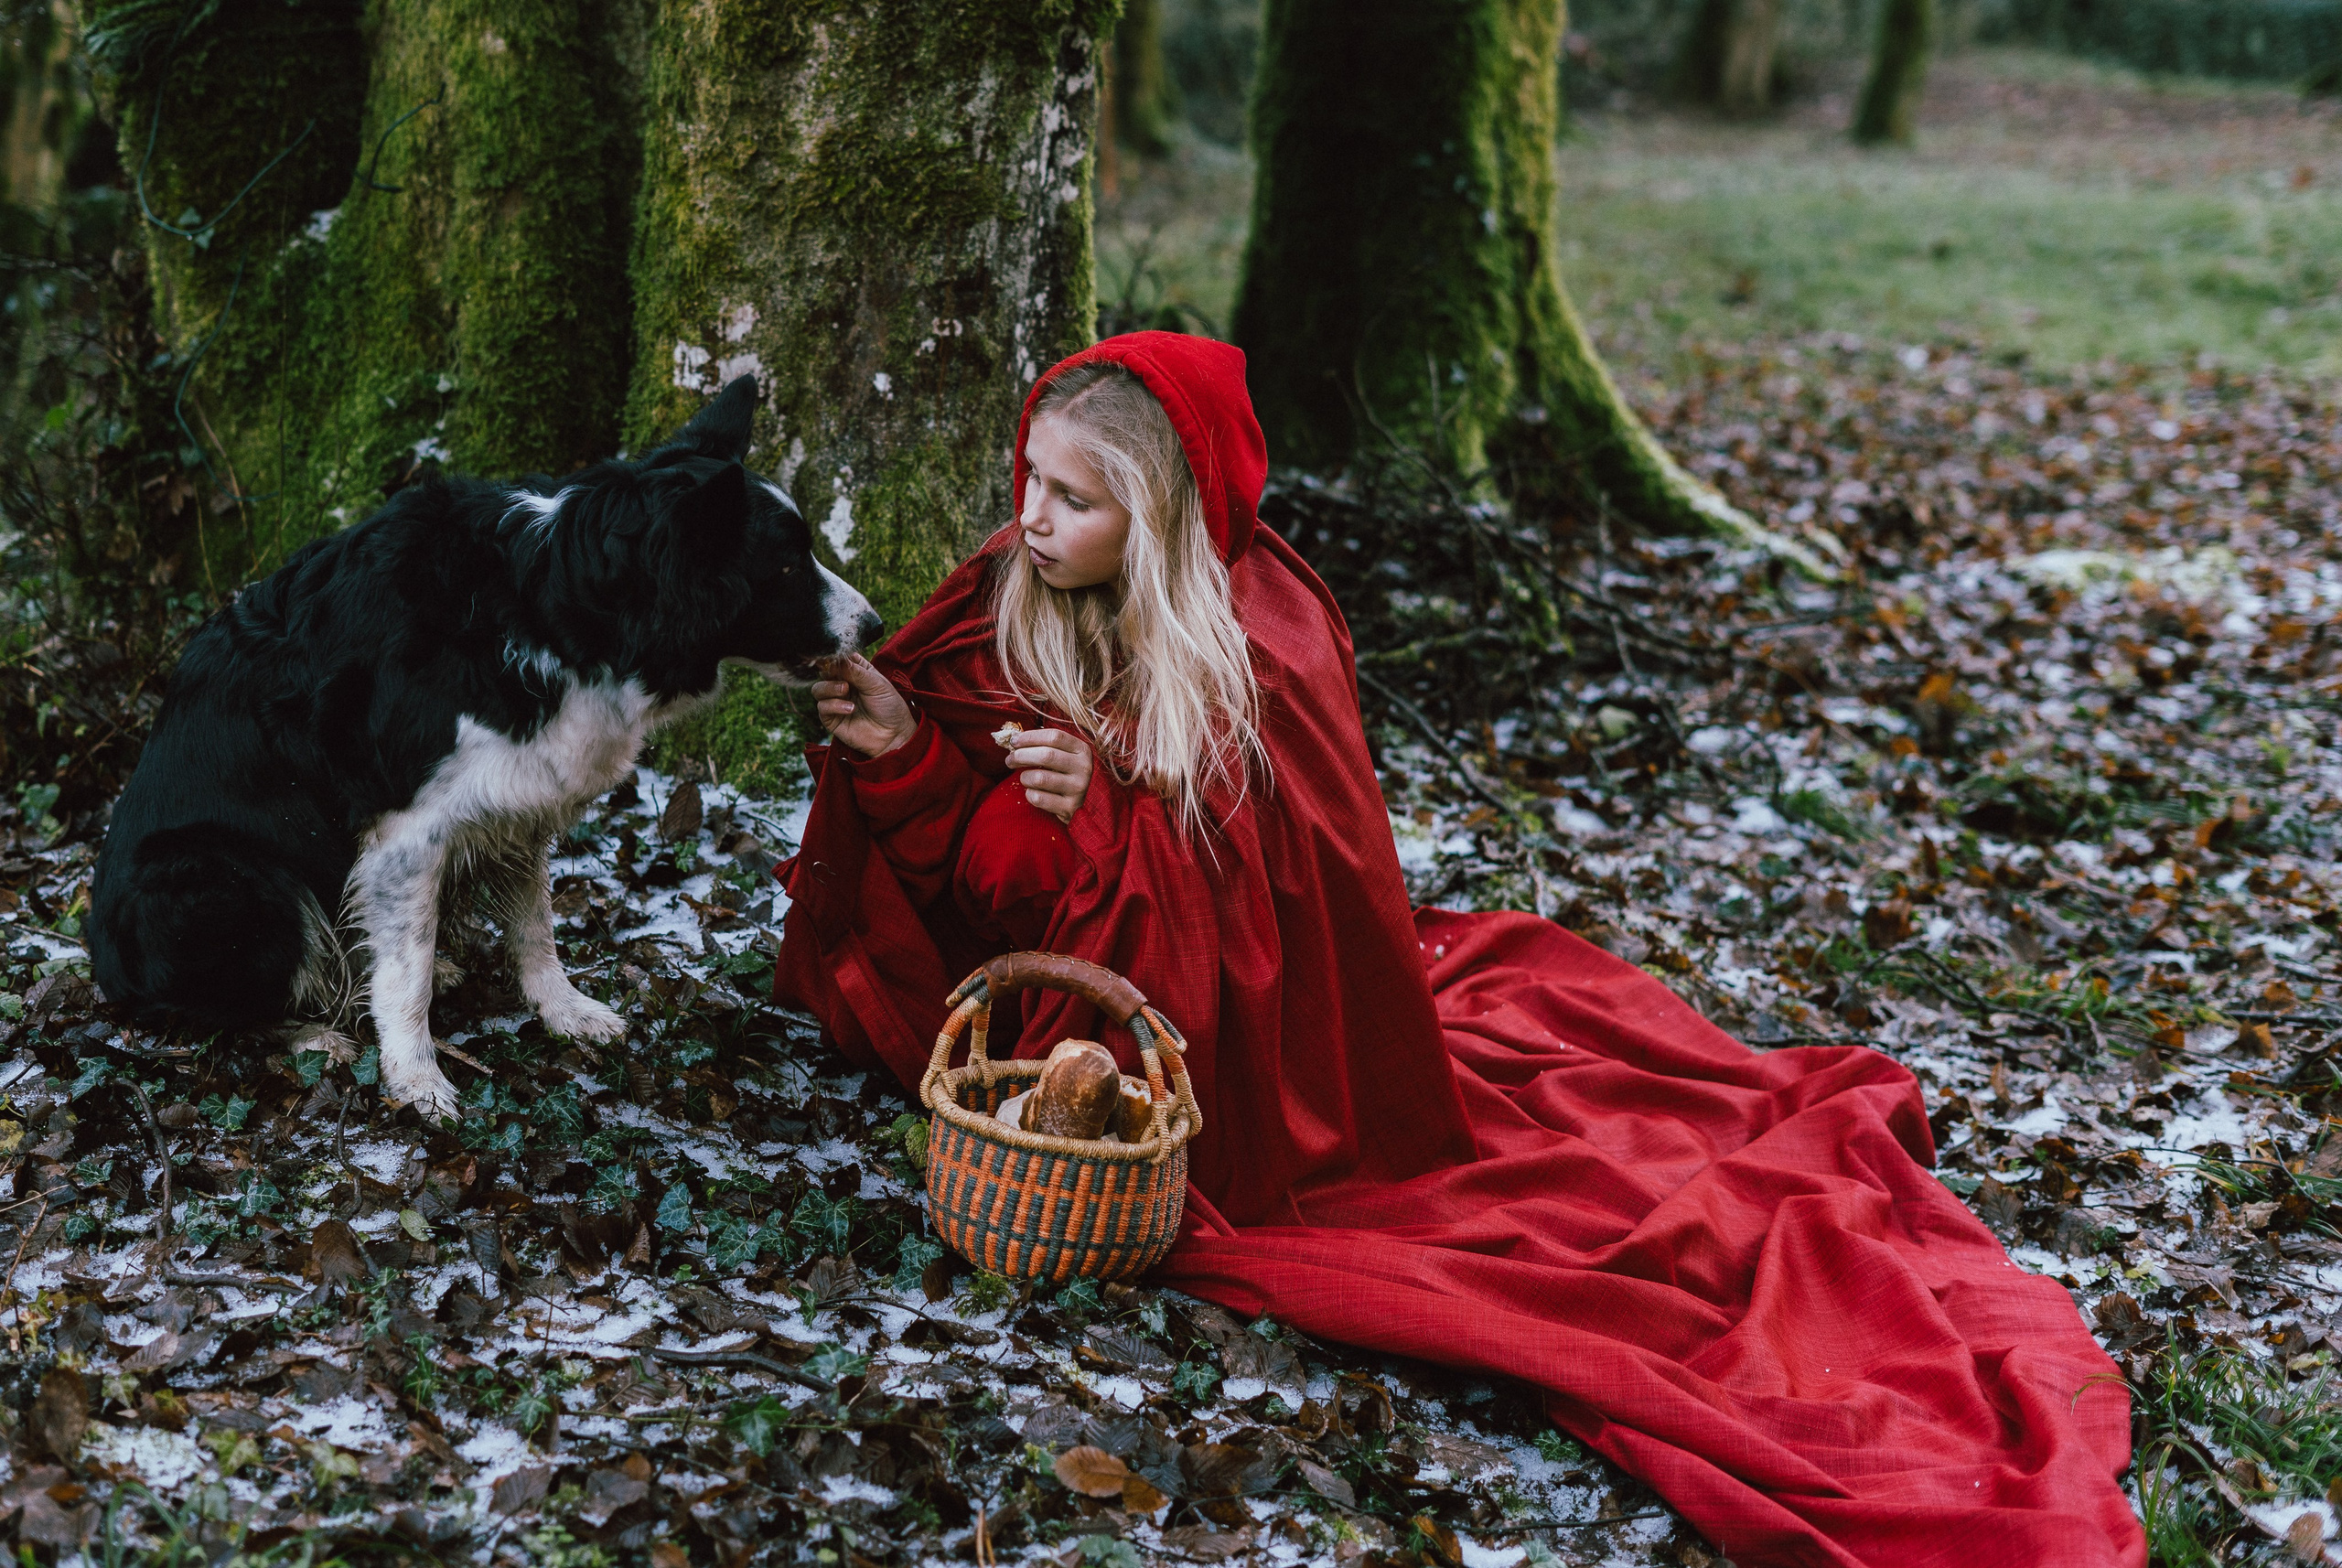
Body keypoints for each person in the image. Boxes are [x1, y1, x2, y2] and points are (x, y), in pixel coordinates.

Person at [774, 333, 2143, 1568]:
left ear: (1165, 516)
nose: (1031, 515)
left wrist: (1115, 813)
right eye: (1031, 477)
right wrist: (907, 751)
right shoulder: (1010, 608)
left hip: (1241, 1082)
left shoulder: (1257, 656)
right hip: (1060, 980)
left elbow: (1224, 929)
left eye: (1074, 498)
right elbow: (987, 887)